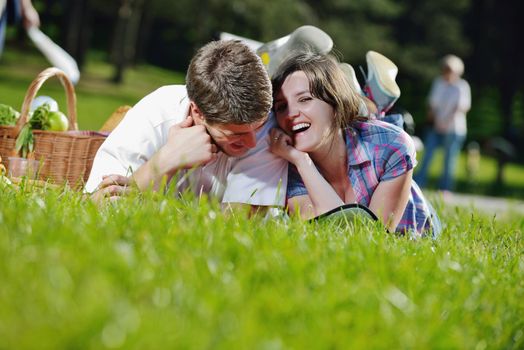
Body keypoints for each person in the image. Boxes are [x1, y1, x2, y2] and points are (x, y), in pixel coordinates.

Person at [85, 40, 287, 210]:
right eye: (236, 134)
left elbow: (239, 224)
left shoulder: (268, 133)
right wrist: (165, 161)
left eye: (258, 127)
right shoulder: (156, 113)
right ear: (197, 112)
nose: (252, 142)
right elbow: (95, 203)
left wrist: (152, 207)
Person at [268, 51, 440, 238]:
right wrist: (301, 161)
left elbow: (373, 238)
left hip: (419, 228)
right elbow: (334, 232)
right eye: (281, 106)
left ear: (335, 103)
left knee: (382, 135)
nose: (290, 113)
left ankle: (371, 103)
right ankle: (371, 102)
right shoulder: (285, 168)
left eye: (305, 99)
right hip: (349, 133)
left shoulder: (392, 144)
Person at [414, 54, 471, 193]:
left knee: (449, 159)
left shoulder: (462, 86)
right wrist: (432, 120)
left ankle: (445, 189)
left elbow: (461, 107)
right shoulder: (438, 83)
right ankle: (418, 185)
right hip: (436, 127)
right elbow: (432, 105)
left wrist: (445, 122)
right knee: (427, 155)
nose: (446, 72)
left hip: (454, 128)